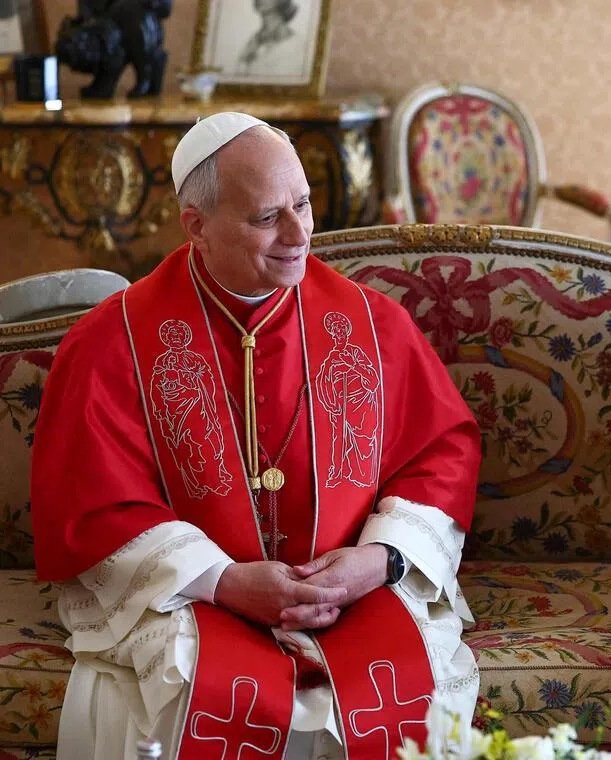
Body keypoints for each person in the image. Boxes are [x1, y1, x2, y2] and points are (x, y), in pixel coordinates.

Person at [31, 112, 481, 759]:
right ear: (197, 226)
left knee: (406, 689)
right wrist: (222, 580)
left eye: (303, 204)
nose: (299, 235)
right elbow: (94, 505)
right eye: (268, 217)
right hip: (194, 599)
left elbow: (442, 454)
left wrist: (381, 558)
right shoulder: (112, 343)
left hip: (356, 596)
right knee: (186, 687)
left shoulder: (371, 324)